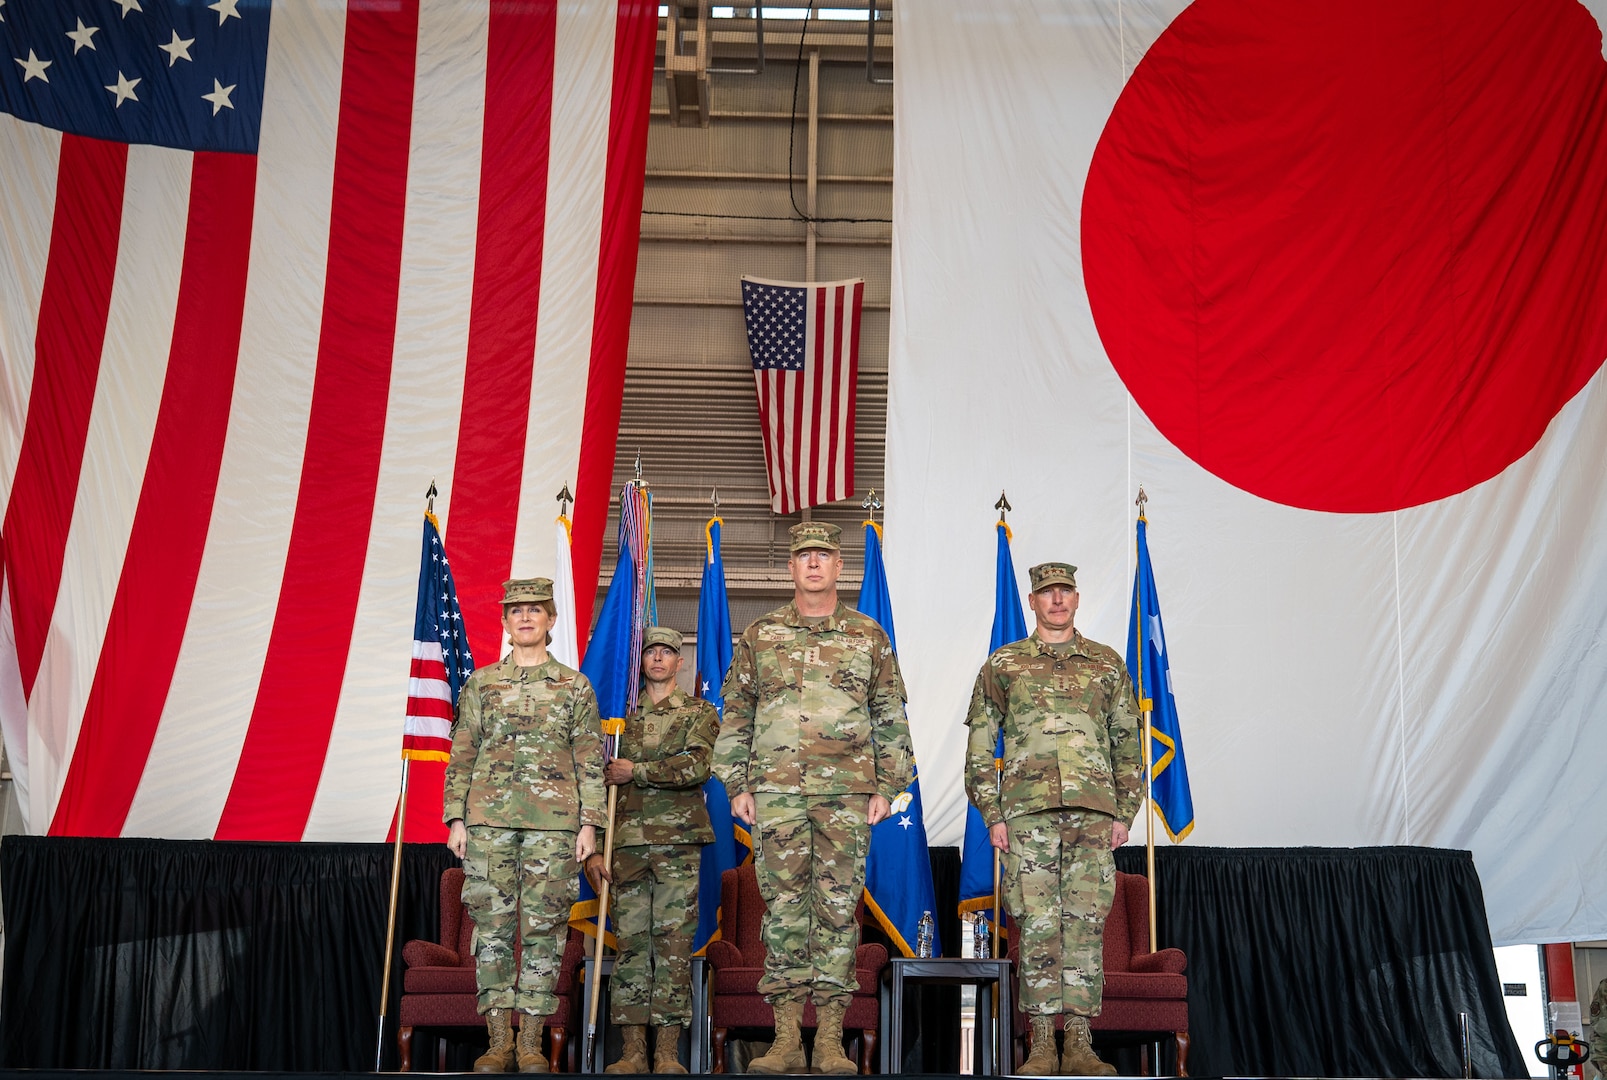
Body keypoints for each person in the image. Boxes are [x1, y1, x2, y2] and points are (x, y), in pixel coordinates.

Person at [714, 520, 914, 1076]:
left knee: (835, 910)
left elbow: (889, 714)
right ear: (791, 567)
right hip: (775, 793)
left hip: (847, 795)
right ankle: (783, 1039)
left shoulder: (868, 635)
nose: (814, 564)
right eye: (804, 555)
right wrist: (737, 783)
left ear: (839, 566)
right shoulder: (760, 634)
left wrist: (888, 785)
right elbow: (737, 713)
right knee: (782, 911)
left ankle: (828, 1037)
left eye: (823, 555)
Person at [964, 561, 1143, 1077]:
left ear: (1078, 598)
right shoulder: (1005, 664)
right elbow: (980, 741)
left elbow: (1127, 744)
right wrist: (991, 812)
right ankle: (1042, 1041)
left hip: (1093, 814)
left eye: (1065, 591)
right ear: (1033, 602)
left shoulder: (1106, 665)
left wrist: (1124, 812)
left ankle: (1081, 1041)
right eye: (1047, 592)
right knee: (1037, 923)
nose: (1057, 600)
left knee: (1085, 925)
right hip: (1027, 815)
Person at [444, 578, 605, 1074]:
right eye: (516, 611)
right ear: (506, 623)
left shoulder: (575, 686)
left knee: (545, 931)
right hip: (487, 825)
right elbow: (463, 753)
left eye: (536, 609)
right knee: (491, 929)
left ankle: (531, 1041)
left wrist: (590, 825)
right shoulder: (482, 684)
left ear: (552, 620)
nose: (526, 617)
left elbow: (589, 761)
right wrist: (455, 817)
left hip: (554, 828)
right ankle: (498, 1043)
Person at [587, 626, 719, 1075]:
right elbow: (597, 785)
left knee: (674, 945)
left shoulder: (698, 712)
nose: (658, 659)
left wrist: (636, 771)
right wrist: (594, 851)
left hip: (677, 845)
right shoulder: (617, 719)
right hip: (625, 846)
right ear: (641, 662)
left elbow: (698, 766)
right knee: (631, 946)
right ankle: (632, 1051)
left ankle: (667, 1050)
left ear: (680, 663)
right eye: (651, 653)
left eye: (667, 653)